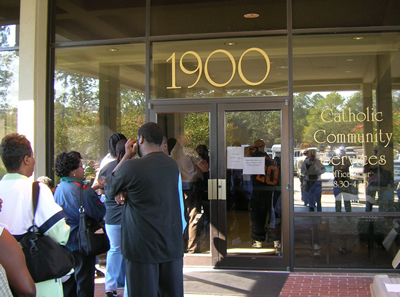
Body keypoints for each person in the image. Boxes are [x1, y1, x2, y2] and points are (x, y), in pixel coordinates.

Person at [105, 122, 187, 297]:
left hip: (141, 248)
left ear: (140, 139)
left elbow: (110, 185)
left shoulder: (132, 166)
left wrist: (126, 156)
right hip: (170, 246)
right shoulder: (171, 165)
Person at [0, 133, 70, 297]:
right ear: (26, 159)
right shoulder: (36, 190)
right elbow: (60, 234)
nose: (33, 160)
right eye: (32, 156)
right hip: (37, 274)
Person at [54, 151, 106, 297]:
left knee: (69, 285)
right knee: (84, 283)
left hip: (64, 243)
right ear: (72, 171)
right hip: (82, 242)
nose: (83, 169)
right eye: (80, 166)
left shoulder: (59, 189)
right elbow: (99, 212)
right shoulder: (82, 190)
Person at [98, 139, 127, 297]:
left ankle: (110, 286)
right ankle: (130, 286)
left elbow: (101, 190)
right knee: (130, 252)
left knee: (114, 250)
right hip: (128, 217)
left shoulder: (106, 168)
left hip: (111, 218)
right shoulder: (131, 167)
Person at [171, 134, 204, 253]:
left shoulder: (173, 153)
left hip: (180, 186)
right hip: (191, 186)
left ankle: (181, 245)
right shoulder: (188, 152)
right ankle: (192, 248)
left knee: (182, 216)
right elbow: (205, 167)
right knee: (193, 216)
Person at [332, 148, 352, 212]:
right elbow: (332, 164)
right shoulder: (335, 159)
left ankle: (348, 213)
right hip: (337, 181)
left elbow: (346, 165)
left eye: (342, 153)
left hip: (345, 181)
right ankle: (338, 213)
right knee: (338, 199)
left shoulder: (346, 159)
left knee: (347, 199)